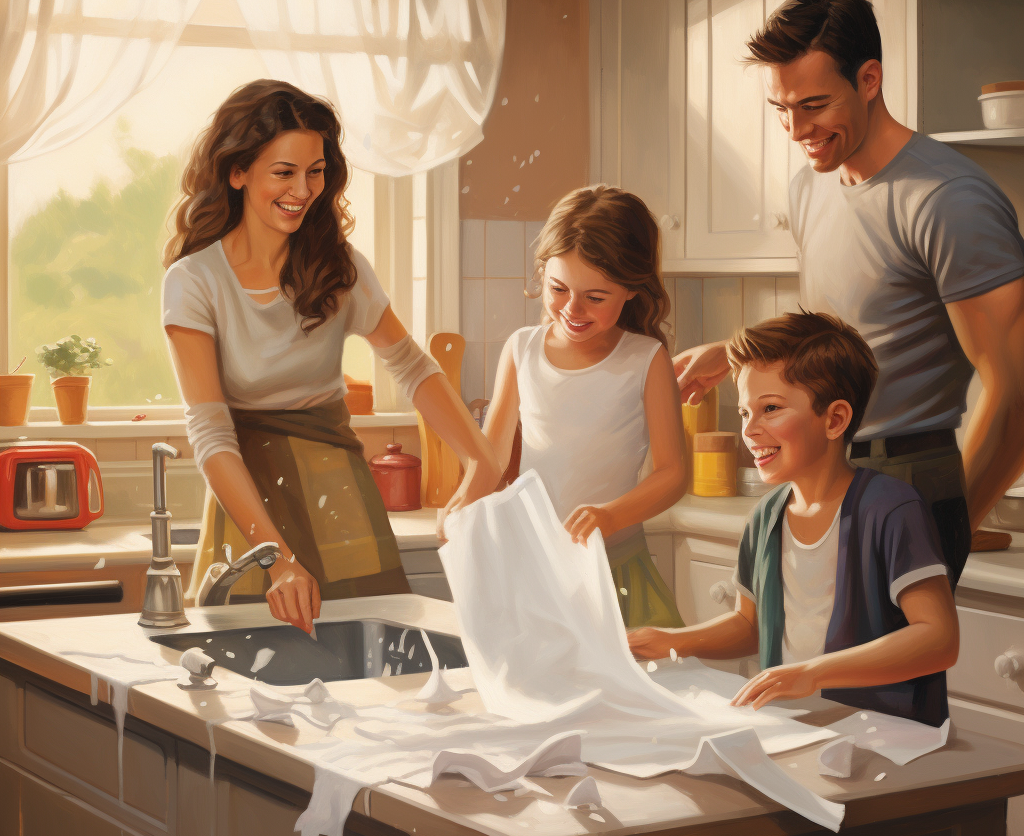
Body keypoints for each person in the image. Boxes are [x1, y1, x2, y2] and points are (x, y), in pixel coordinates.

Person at [673, 0, 1024, 586]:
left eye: (813, 104)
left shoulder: (948, 200)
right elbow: (854, 332)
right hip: (829, 475)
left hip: (906, 476)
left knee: (880, 679)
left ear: (869, 80)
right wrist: (734, 353)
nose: (795, 128)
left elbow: (1017, 390)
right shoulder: (811, 186)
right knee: (811, 677)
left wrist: (944, 529)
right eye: (781, 108)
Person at [162, 80, 499, 633]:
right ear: (237, 171)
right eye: (284, 172)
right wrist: (277, 558)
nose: (302, 189)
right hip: (252, 509)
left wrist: (480, 462)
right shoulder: (194, 282)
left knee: (380, 676)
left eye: (315, 171)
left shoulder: (338, 267)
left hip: (341, 496)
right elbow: (213, 437)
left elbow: (413, 368)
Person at [632, 312, 959, 726]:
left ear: (835, 419)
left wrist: (813, 673)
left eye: (770, 409)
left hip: (883, 736)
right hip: (796, 728)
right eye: (746, 412)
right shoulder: (766, 516)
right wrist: (672, 642)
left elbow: (938, 638)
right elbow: (750, 625)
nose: (750, 430)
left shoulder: (891, 509)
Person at [482, 185, 688, 629]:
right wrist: (464, 504)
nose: (572, 309)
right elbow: (491, 458)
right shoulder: (522, 350)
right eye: (558, 288)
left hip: (616, 572)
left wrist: (610, 516)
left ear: (633, 289)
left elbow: (673, 474)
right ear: (543, 275)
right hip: (537, 571)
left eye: (595, 297)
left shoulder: (646, 360)